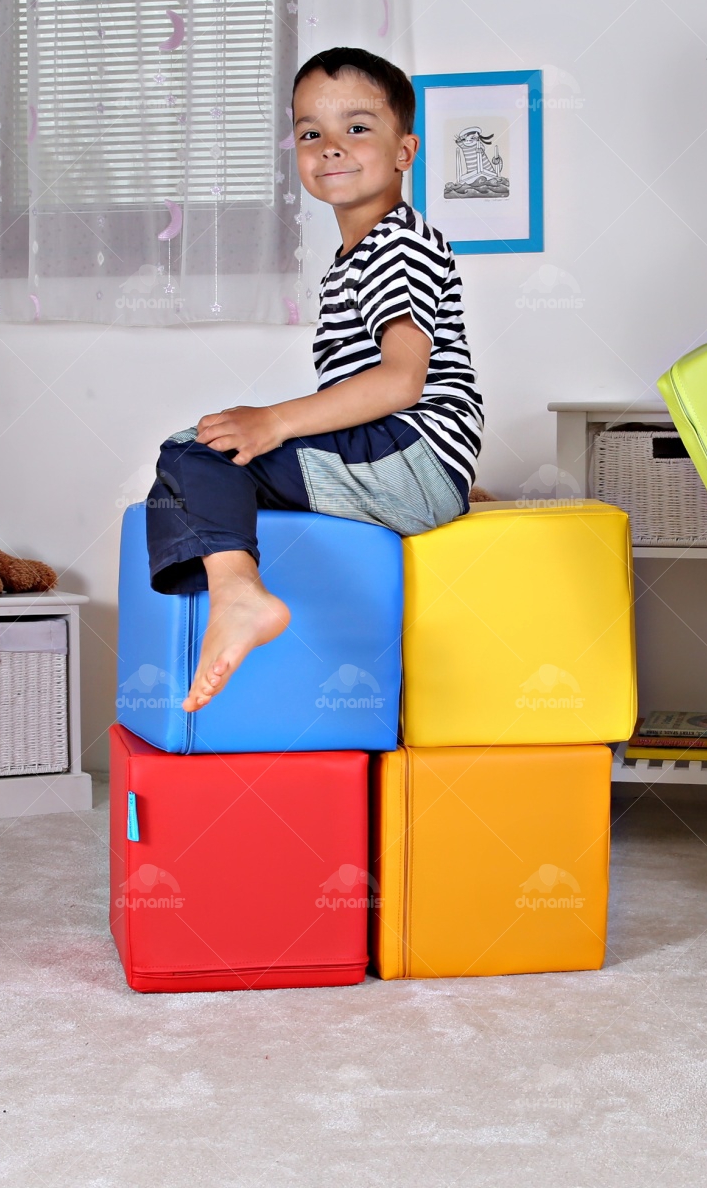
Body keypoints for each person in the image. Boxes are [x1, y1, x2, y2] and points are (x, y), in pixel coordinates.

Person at [143, 47, 481, 712]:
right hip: (406, 461)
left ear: (405, 150)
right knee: (195, 465)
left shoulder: (396, 243)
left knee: (195, 452)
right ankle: (236, 590)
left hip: (409, 453)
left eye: (357, 127)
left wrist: (273, 422)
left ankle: (239, 596)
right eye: (310, 133)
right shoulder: (358, 254)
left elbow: (401, 382)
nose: (331, 146)